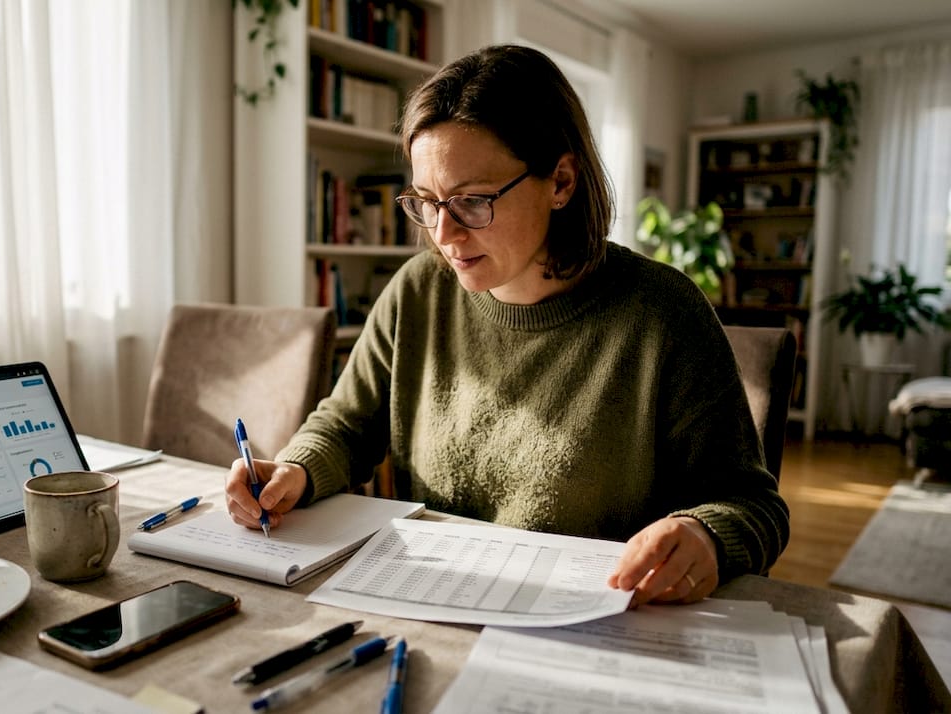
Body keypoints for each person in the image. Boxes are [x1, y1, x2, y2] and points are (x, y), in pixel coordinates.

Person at [224, 44, 789, 606]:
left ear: (561, 182)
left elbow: (752, 503)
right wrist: (295, 469)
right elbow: (347, 426)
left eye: (471, 201)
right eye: (426, 201)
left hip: (594, 626)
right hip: (431, 603)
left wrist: (705, 535)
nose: (443, 234)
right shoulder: (418, 291)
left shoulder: (663, 314)